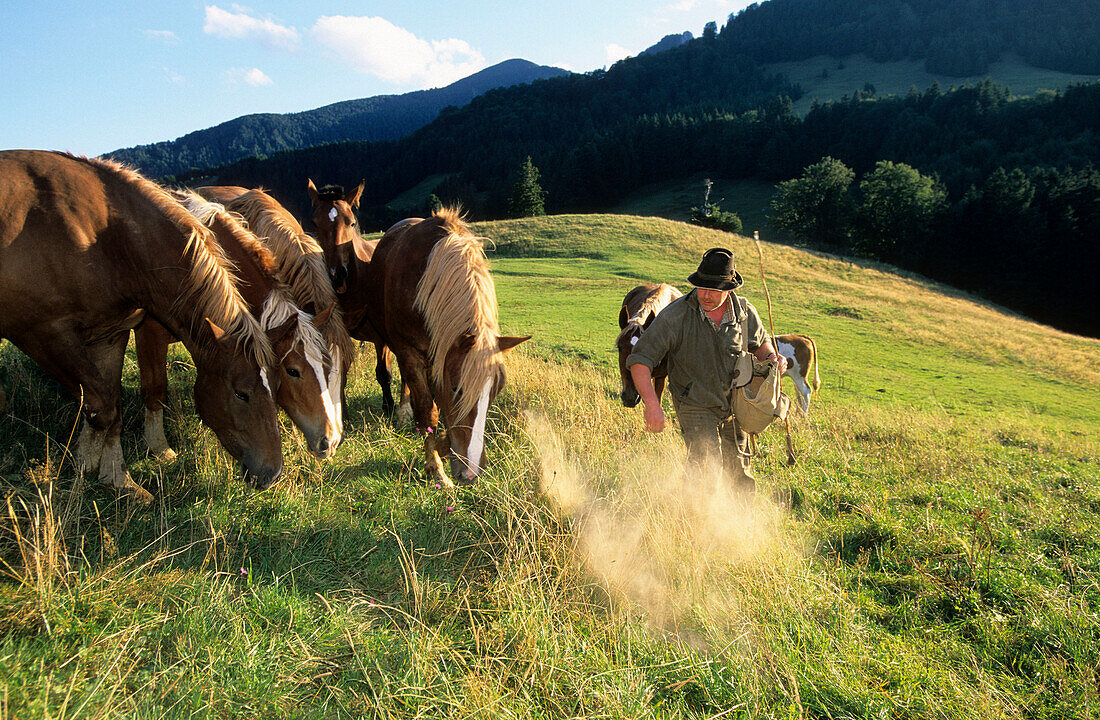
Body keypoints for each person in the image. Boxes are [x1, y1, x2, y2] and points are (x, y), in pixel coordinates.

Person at [625, 247, 787, 494]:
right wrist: (652, 404)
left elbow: (760, 344)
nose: (705, 295)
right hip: (694, 402)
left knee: (740, 470)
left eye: (713, 289)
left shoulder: (745, 312)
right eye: (702, 286)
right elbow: (640, 360)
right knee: (704, 467)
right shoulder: (676, 315)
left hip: (736, 402)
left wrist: (774, 358)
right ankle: (694, 522)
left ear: (729, 289)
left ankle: (741, 525)